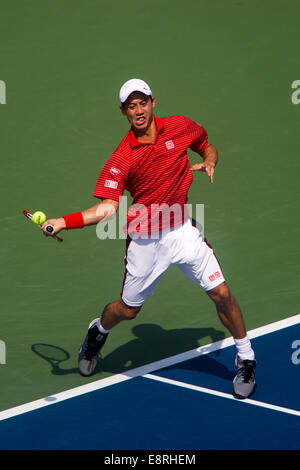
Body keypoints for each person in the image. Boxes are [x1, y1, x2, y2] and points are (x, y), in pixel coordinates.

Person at [42, 78, 256, 399]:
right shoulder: (122, 158)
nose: (138, 110)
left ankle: (247, 357)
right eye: (131, 106)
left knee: (222, 294)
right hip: (145, 240)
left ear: (153, 102)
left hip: (182, 231)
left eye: (143, 103)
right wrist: (64, 221)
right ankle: (98, 331)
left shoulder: (180, 126)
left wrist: (210, 160)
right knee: (128, 311)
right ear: (124, 112)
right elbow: (106, 208)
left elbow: (206, 143)